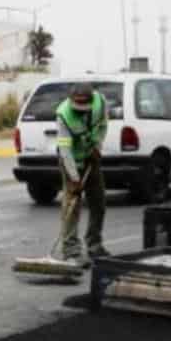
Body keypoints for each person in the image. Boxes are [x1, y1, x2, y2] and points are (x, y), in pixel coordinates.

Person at [54, 84, 109, 263]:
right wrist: (74, 179)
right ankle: (71, 252)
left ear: (91, 100)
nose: (79, 110)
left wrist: (97, 146)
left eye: (83, 106)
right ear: (71, 100)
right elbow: (65, 150)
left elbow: (102, 126)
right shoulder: (63, 115)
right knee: (72, 206)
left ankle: (94, 245)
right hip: (71, 160)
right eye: (76, 105)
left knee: (98, 202)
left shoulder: (100, 102)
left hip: (90, 157)